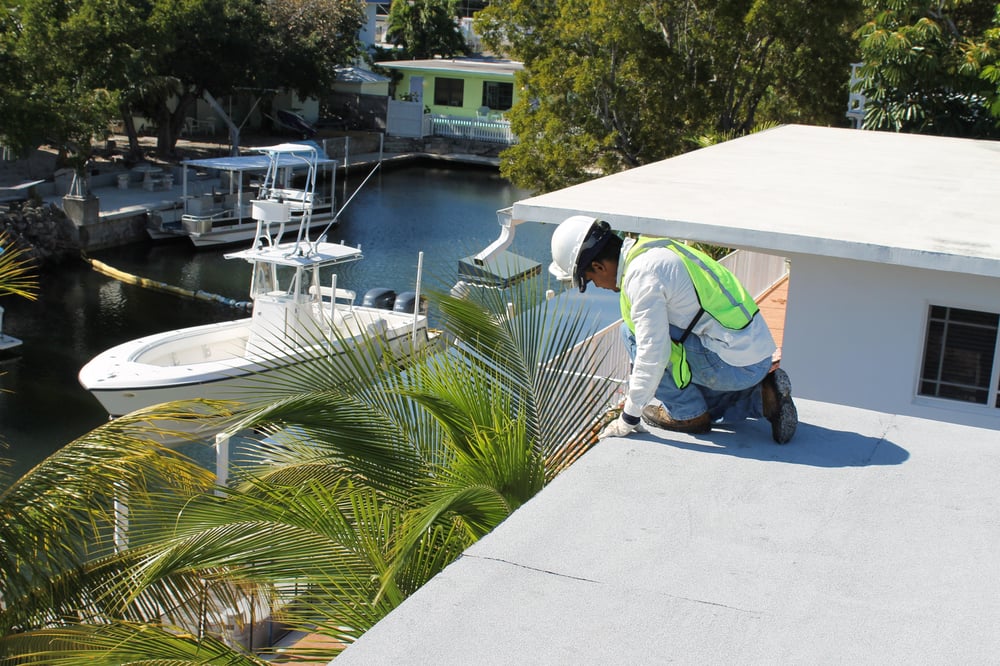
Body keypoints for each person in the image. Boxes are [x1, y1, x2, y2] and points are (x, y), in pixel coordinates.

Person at [549, 215, 797, 444]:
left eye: (590, 279)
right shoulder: (653, 250)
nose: (597, 286)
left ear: (598, 266)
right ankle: (763, 399)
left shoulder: (642, 276)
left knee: (631, 333)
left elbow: (652, 354)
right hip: (753, 356)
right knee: (672, 361)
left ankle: (687, 414)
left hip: (733, 366)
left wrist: (629, 418)